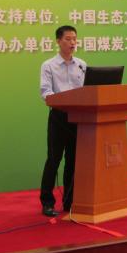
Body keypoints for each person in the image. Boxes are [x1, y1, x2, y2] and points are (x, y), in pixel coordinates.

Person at [38, 25, 86, 217]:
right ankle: (47, 202)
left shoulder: (81, 65)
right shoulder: (48, 65)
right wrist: (63, 100)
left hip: (78, 117)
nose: (72, 42)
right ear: (58, 41)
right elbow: (45, 92)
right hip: (58, 117)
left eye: (74, 38)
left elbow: (88, 90)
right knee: (53, 160)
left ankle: (69, 201)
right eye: (68, 39)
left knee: (73, 162)